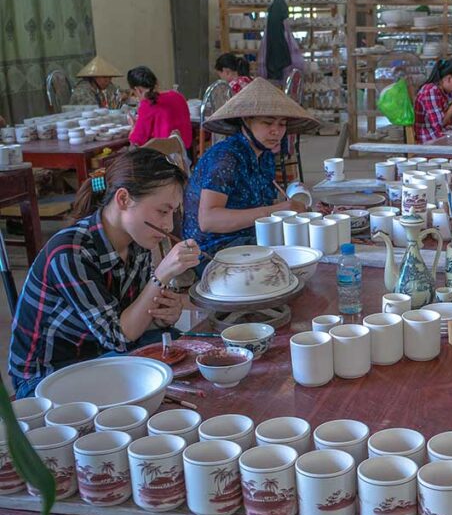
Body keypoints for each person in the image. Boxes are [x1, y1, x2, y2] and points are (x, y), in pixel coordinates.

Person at [7, 149, 200, 398]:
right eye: (163, 212)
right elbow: (119, 336)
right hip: (46, 376)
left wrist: (161, 315)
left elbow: (134, 316)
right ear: (123, 199)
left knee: (188, 352)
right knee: (161, 385)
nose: (169, 225)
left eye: (173, 212)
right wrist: (160, 275)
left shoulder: (137, 240)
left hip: (101, 353)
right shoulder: (70, 252)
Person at [182, 78, 319, 261]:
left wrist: (298, 208)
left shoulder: (265, 155)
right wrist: (275, 210)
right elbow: (208, 220)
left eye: (282, 124)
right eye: (267, 123)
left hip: (251, 238)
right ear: (246, 121)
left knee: (312, 239)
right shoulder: (226, 157)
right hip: (213, 250)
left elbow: (265, 204)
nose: (276, 131)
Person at [127, 66, 193, 149]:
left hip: (164, 154)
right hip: (184, 151)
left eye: (134, 93)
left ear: (138, 90)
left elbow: (136, 141)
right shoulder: (178, 96)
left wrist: (133, 127)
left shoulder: (147, 104)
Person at [413, 59, 452, 144]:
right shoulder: (430, 90)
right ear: (449, 78)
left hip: (440, 134)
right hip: (429, 139)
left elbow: (450, 118)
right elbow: (438, 125)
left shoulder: (445, 92)